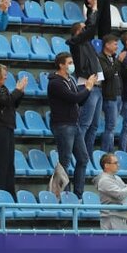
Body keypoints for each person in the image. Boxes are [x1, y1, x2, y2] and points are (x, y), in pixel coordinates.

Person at [48, 51, 97, 197]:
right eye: (69, 63)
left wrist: (87, 90)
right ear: (61, 65)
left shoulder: (71, 80)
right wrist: (87, 88)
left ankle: (78, 194)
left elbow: (80, 101)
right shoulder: (55, 83)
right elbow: (73, 98)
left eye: (72, 62)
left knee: (83, 158)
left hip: (74, 124)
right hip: (62, 125)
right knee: (65, 161)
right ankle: (62, 194)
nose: (72, 65)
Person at [0, 63, 28, 194]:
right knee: (1, 162)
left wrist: (21, 92)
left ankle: (9, 192)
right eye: (4, 74)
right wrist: (17, 90)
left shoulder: (3, 88)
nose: (6, 77)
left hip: (8, 127)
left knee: (9, 163)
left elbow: (13, 104)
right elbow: (6, 101)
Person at [95, 153, 127, 230]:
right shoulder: (104, 180)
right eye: (115, 163)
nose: (118, 165)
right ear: (106, 165)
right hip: (111, 218)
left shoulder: (117, 178)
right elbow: (120, 195)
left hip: (121, 218)